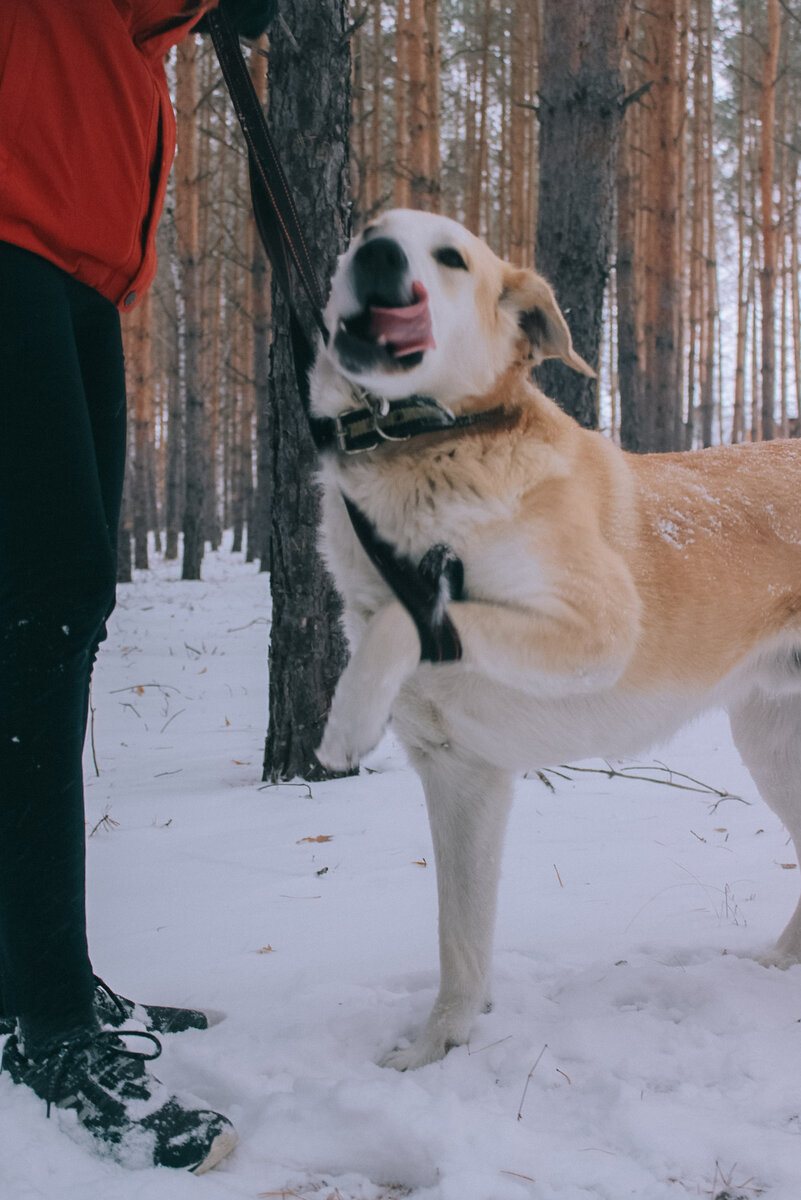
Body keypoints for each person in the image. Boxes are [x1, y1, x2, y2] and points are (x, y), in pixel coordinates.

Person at [0, 0, 274, 1173]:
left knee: (57, 618)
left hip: (70, 264)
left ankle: (40, 977)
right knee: (38, 616)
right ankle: (45, 1016)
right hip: (14, 242)